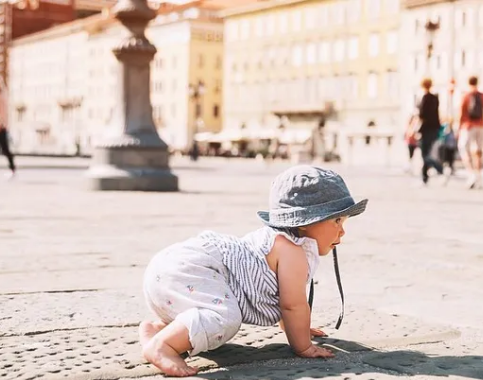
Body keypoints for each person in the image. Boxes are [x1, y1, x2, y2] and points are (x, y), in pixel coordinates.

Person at [139, 165, 368, 377]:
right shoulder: (292, 252)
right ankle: (163, 347)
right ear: (305, 221)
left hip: (168, 270)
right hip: (192, 271)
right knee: (225, 319)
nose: (342, 232)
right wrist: (304, 346)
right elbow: (292, 305)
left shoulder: (276, 240)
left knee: (210, 319)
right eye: (337, 220)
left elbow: (282, 299)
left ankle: (159, 330)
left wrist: (298, 326)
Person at [458, 76, 483, 189]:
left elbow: (461, 114)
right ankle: (478, 177)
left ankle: (471, 173)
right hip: (481, 126)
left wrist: (459, 129)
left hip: (468, 126)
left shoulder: (466, 96)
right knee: (478, 152)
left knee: (464, 149)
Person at [416, 78, 444, 184]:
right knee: (429, 152)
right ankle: (424, 177)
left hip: (426, 129)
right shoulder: (435, 98)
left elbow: (422, 115)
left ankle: (439, 169)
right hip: (435, 128)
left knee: (425, 154)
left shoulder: (424, 98)